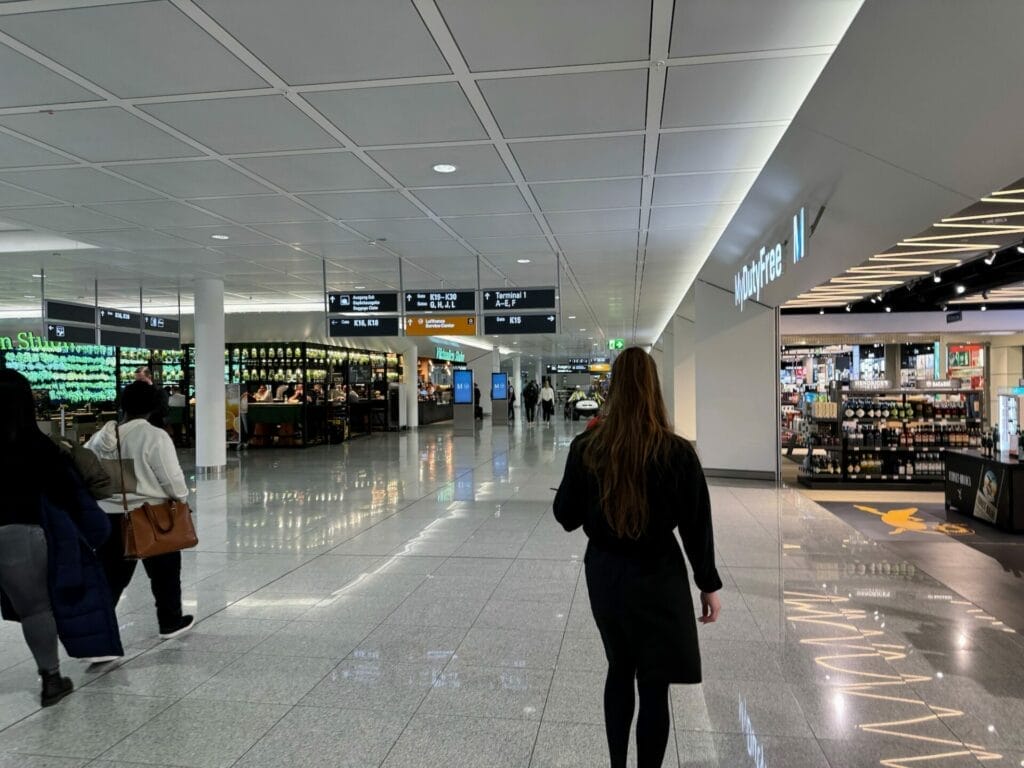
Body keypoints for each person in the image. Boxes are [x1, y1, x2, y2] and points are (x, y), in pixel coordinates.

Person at [552, 348, 722, 768]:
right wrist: (708, 584)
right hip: (658, 574)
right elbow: (696, 524)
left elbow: (566, 517)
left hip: (606, 574)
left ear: (613, 390)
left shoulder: (587, 447)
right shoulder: (677, 453)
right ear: (653, 389)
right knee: (654, 682)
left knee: (618, 667)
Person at [0, 371, 121, 706]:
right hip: (19, 534)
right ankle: (51, 679)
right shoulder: (38, 447)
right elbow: (68, 494)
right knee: (35, 609)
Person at [86, 381, 194, 642]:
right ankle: (170, 622)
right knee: (164, 572)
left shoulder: (99, 438)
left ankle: (99, 636)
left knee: (111, 578)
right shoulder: (154, 436)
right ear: (155, 407)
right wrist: (181, 499)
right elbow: (170, 478)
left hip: (108, 517)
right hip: (151, 515)